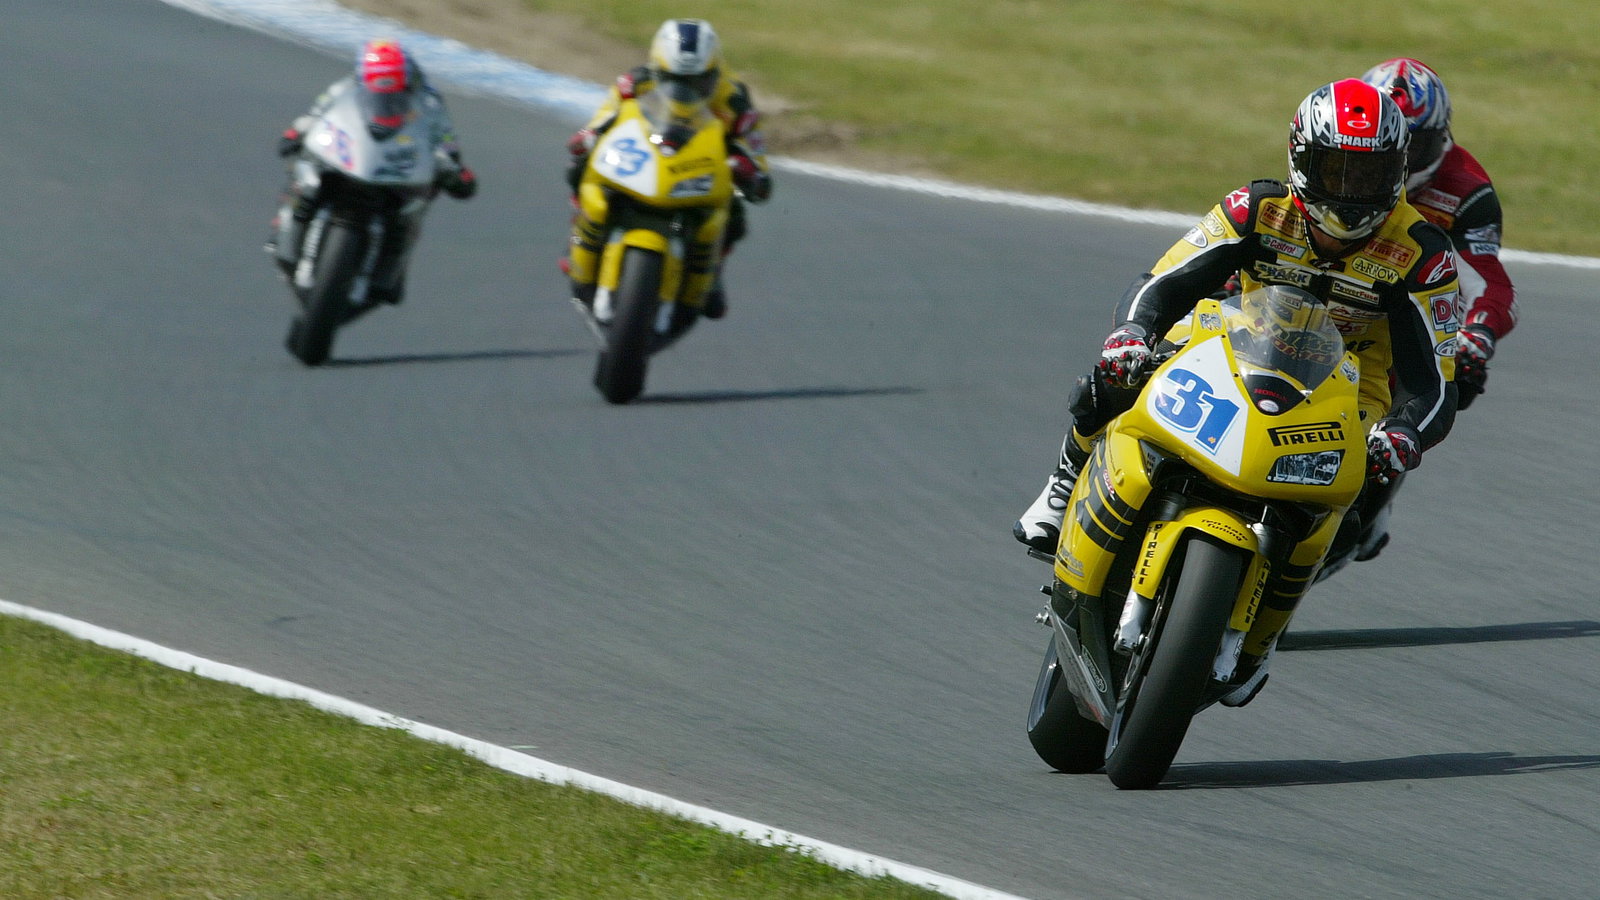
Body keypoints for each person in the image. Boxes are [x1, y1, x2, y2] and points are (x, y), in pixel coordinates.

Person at [1012, 80, 1461, 701]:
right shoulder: (1257, 206)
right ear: (1300, 160)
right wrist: (1133, 334)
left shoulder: (1422, 254)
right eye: (1336, 170)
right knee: (1117, 374)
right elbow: (1164, 280)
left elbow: (1435, 378)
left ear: (1400, 172)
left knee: (1349, 497)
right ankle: (1064, 484)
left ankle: (1263, 630)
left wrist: (1405, 433)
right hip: (1234, 343)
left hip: (1347, 387)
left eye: (1370, 175)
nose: (1351, 192)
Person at [562, 18, 772, 320]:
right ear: (657, 70)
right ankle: (579, 233)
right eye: (673, 80)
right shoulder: (635, 82)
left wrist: (753, 171)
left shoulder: (735, 100)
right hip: (649, 150)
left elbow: (755, 150)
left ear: (714, 73)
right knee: (580, 165)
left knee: (735, 214)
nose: (685, 90)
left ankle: (713, 273)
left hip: (702, 164)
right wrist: (589, 135)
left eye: (698, 82)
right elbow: (606, 115)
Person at [268, 39, 477, 305]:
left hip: (397, 169)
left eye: (393, 86)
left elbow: (447, 141)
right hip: (351, 157)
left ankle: (392, 272)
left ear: (407, 81)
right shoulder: (346, 88)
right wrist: (297, 131)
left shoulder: (429, 102)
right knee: (305, 173)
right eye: (377, 84)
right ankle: (287, 224)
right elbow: (319, 112)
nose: (385, 96)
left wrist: (453, 168)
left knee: (412, 211)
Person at [1359, 57, 1516, 409]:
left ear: (1440, 135)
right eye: (1386, 143)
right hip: (1322, 303)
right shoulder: (1337, 165)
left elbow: (1487, 282)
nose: (1398, 159)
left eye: (1411, 146)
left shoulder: (1467, 191)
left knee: (1453, 380)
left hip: (1400, 314)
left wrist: (1477, 335)